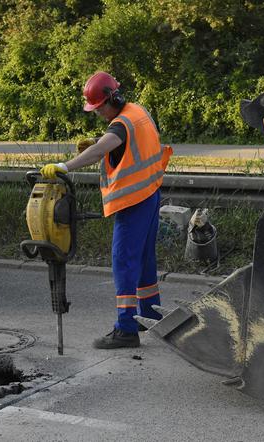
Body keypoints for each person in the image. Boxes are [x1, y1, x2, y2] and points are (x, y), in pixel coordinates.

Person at [40, 71, 172, 349]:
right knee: (144, 258)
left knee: (123, 261)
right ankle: (148, 314)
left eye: (99, 107)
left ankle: (126, 329)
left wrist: (65, 166)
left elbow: (101, 150)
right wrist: (102, 145)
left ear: (113, 100)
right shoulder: (137, 112)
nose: (97, 113)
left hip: (133, 201)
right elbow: (120, 146)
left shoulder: (121, 125)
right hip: (149, 194)